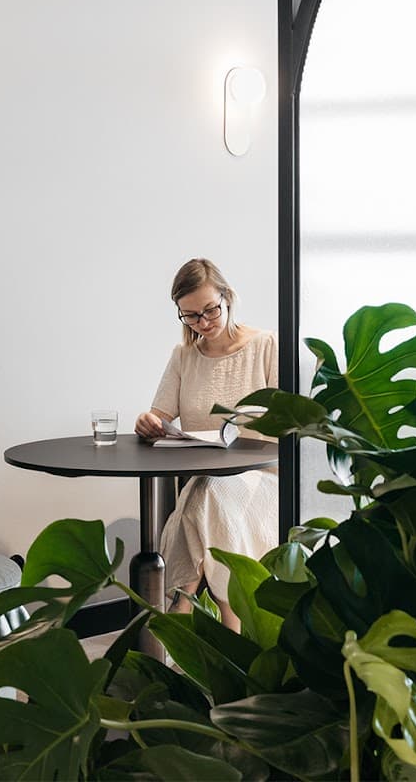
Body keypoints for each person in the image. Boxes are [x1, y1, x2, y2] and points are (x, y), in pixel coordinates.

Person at [134, 258, 278, 631]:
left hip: (265, 479)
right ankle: (232, 633)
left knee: (203, 495)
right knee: (206, 491)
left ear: (228, 298)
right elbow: (160, 417)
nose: (204, 322)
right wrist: (150, 423)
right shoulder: (183, 357)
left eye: (210, 309)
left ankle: (180, 613)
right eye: (191, 316)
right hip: (207, 483)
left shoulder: (265, 345)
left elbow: (291, 419)